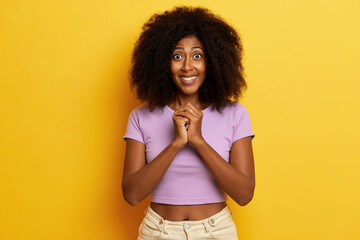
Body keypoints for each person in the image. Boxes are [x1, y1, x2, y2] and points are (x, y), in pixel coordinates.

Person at [122, 6, 255, 240]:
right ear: (163, 63)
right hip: (158, 231)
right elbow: (132, 195)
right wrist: (176, 144)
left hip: (217, 232)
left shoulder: (235, 114)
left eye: (197, 55)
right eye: (176, 56)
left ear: (213, 60)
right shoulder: (140, 117)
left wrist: (198, 141)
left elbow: (244, 195)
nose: (187, 66)